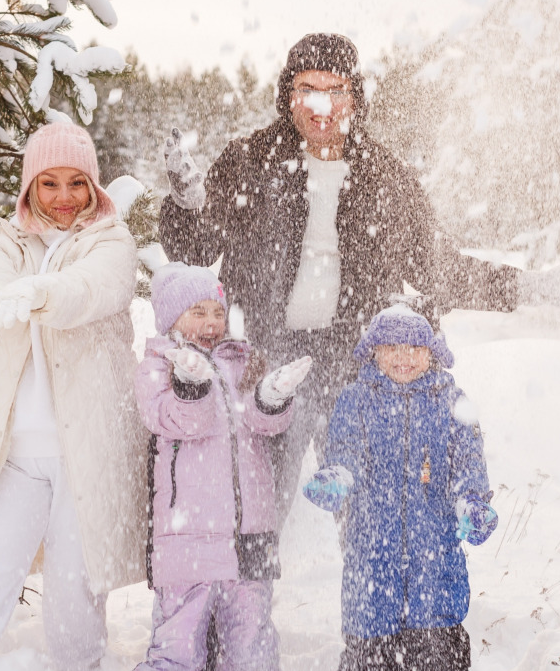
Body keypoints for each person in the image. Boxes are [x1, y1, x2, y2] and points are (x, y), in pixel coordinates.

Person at [159, 32, 521, 515]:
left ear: (355, 97)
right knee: (254, 514)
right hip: (265, 360)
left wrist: (520, 287)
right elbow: (194, 246)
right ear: (289, 95)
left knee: (367, 514)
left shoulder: (384, 176)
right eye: (308, 89)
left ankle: (366, 586)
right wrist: (187, 204)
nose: (321, 105)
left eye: (336, 91)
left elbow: (438, 268)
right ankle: (253, 586)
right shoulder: (249, 161)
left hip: (352, 369)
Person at [0, 122, 145, 671]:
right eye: (48, 183)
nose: (63, 197)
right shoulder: (6, 241)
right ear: (29, 188)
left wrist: (41, 294)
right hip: (17, 454)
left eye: (76, 183)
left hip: (85, 452)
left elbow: (91, 288)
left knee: (76, 587)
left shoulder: (111, 241)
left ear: (93, 187)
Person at [127, 264, 313, 671]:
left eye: (217, 311)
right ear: (170, 318)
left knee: (251, 642)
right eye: (197, 312)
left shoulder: (242, 360)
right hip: (186, 540)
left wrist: (272, 399)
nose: (211, 322)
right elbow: (173, 419)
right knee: (177, 644)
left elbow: (264, 426)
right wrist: (191, 385)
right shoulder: (158, 366)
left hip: (251, 535)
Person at [303, 304, 498, 671]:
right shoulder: (357, 399)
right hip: (373, 543)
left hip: (435, 546)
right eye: (391, 347)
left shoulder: (452, 402)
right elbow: (345, 449)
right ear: (374, 352)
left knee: (439, 638)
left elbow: (468, 458)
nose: (403, 358)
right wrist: (338, 476)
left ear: (432, 353)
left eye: (414, 348)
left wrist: (472, 501)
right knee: (370, 634)